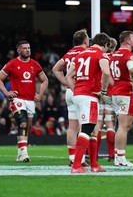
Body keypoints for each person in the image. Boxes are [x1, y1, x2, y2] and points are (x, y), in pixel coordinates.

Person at [0, 40, 49, 162]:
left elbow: (45, 80)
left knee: (26, 126)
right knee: (22, 123)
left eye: (28, 48)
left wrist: (40, 95)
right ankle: (24, 153)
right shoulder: (12, 63)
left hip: (30, 101)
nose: (27, 50)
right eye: (24, 48)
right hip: (17, 99)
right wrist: (6, 93)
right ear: (18, 50)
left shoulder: (35, 64)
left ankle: (20, 153)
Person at [65, 32, 111, 173]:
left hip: (77, 95)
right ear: (106, 44)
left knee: (94, 130)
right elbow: (106, 73)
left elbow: (68, 76)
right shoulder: (101, 55)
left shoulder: (80, 55)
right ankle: (77, 165)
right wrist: (103, 92)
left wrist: (76, 90)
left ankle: (94, 165)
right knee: (86, 129)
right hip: (89, 96)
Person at [52, 29, 90, 166]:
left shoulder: (69, 53)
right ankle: (81, 159)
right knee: (84, 126)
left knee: (72, 127)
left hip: (69, 92)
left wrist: (66, 82)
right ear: (85, 41)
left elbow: (55, 68)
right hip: (81, 91)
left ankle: (73, 158)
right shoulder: (86, 52)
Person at [111, 30, 133, 166]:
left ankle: (118, 155)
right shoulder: (129, 55)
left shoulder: (114, 55)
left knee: (122, 126)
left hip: (115, 91)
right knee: (122, 126)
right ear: (127, 41)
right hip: (125, 92)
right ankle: (120, 157)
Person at [94, 37, 117, 162]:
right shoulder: (114, 58)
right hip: (110, 93)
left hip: (99, 92)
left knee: (97, 125)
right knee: (110, 125)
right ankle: (111, 154)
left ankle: (95, 153)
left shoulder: (100, 56)